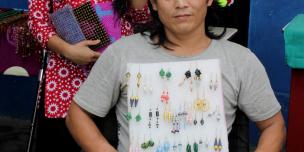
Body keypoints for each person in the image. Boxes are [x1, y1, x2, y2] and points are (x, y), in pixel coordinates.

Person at [66, 0, 286, 151]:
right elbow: (77, 114)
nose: (180, 3)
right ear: (153, 3)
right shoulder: (122, 53)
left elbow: (273, 126)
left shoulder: (240, 60)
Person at [28, 0, 150, 151]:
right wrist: (67, 50)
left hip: (118, 74)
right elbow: (37, 21)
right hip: (67, 77)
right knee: (61, 140)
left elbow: (143, 18)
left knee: (115, 139)